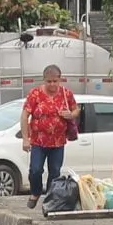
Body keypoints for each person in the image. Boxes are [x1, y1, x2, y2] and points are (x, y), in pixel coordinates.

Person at [20, 63, 79, 204]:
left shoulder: (66, 93)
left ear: (60, 79)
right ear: (44, 80)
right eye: (49, 81)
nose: (52, 84)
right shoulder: (35, 94)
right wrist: (25, 139)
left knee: (55, 171)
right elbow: (24, 116)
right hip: (38, 141)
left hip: (58, 141)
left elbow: (76, 109)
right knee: (35, 170)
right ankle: (35, 192)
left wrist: (70, 114)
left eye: (55, 81)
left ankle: (50, 198)